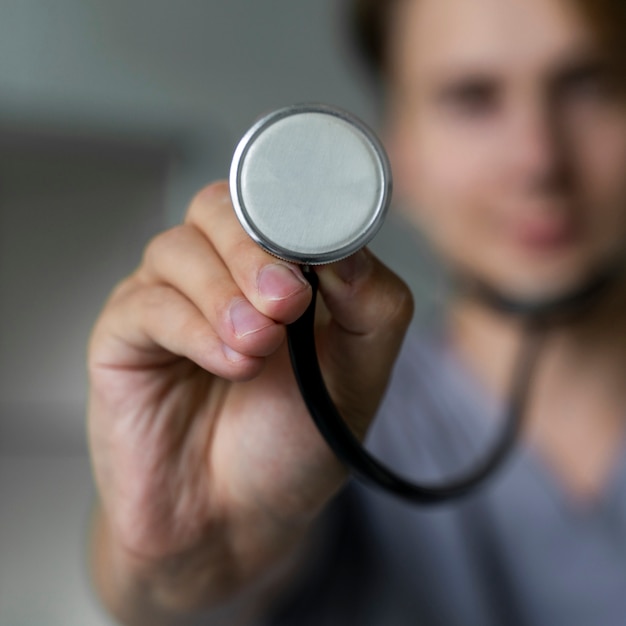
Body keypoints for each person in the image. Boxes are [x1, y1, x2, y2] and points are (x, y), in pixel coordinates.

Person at [87, 0, 626, 623]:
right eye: (472, 98)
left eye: (591, 83)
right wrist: (185, 561)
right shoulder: (311, 403)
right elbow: (172, 603)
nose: (539, 162)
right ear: (401, 152)